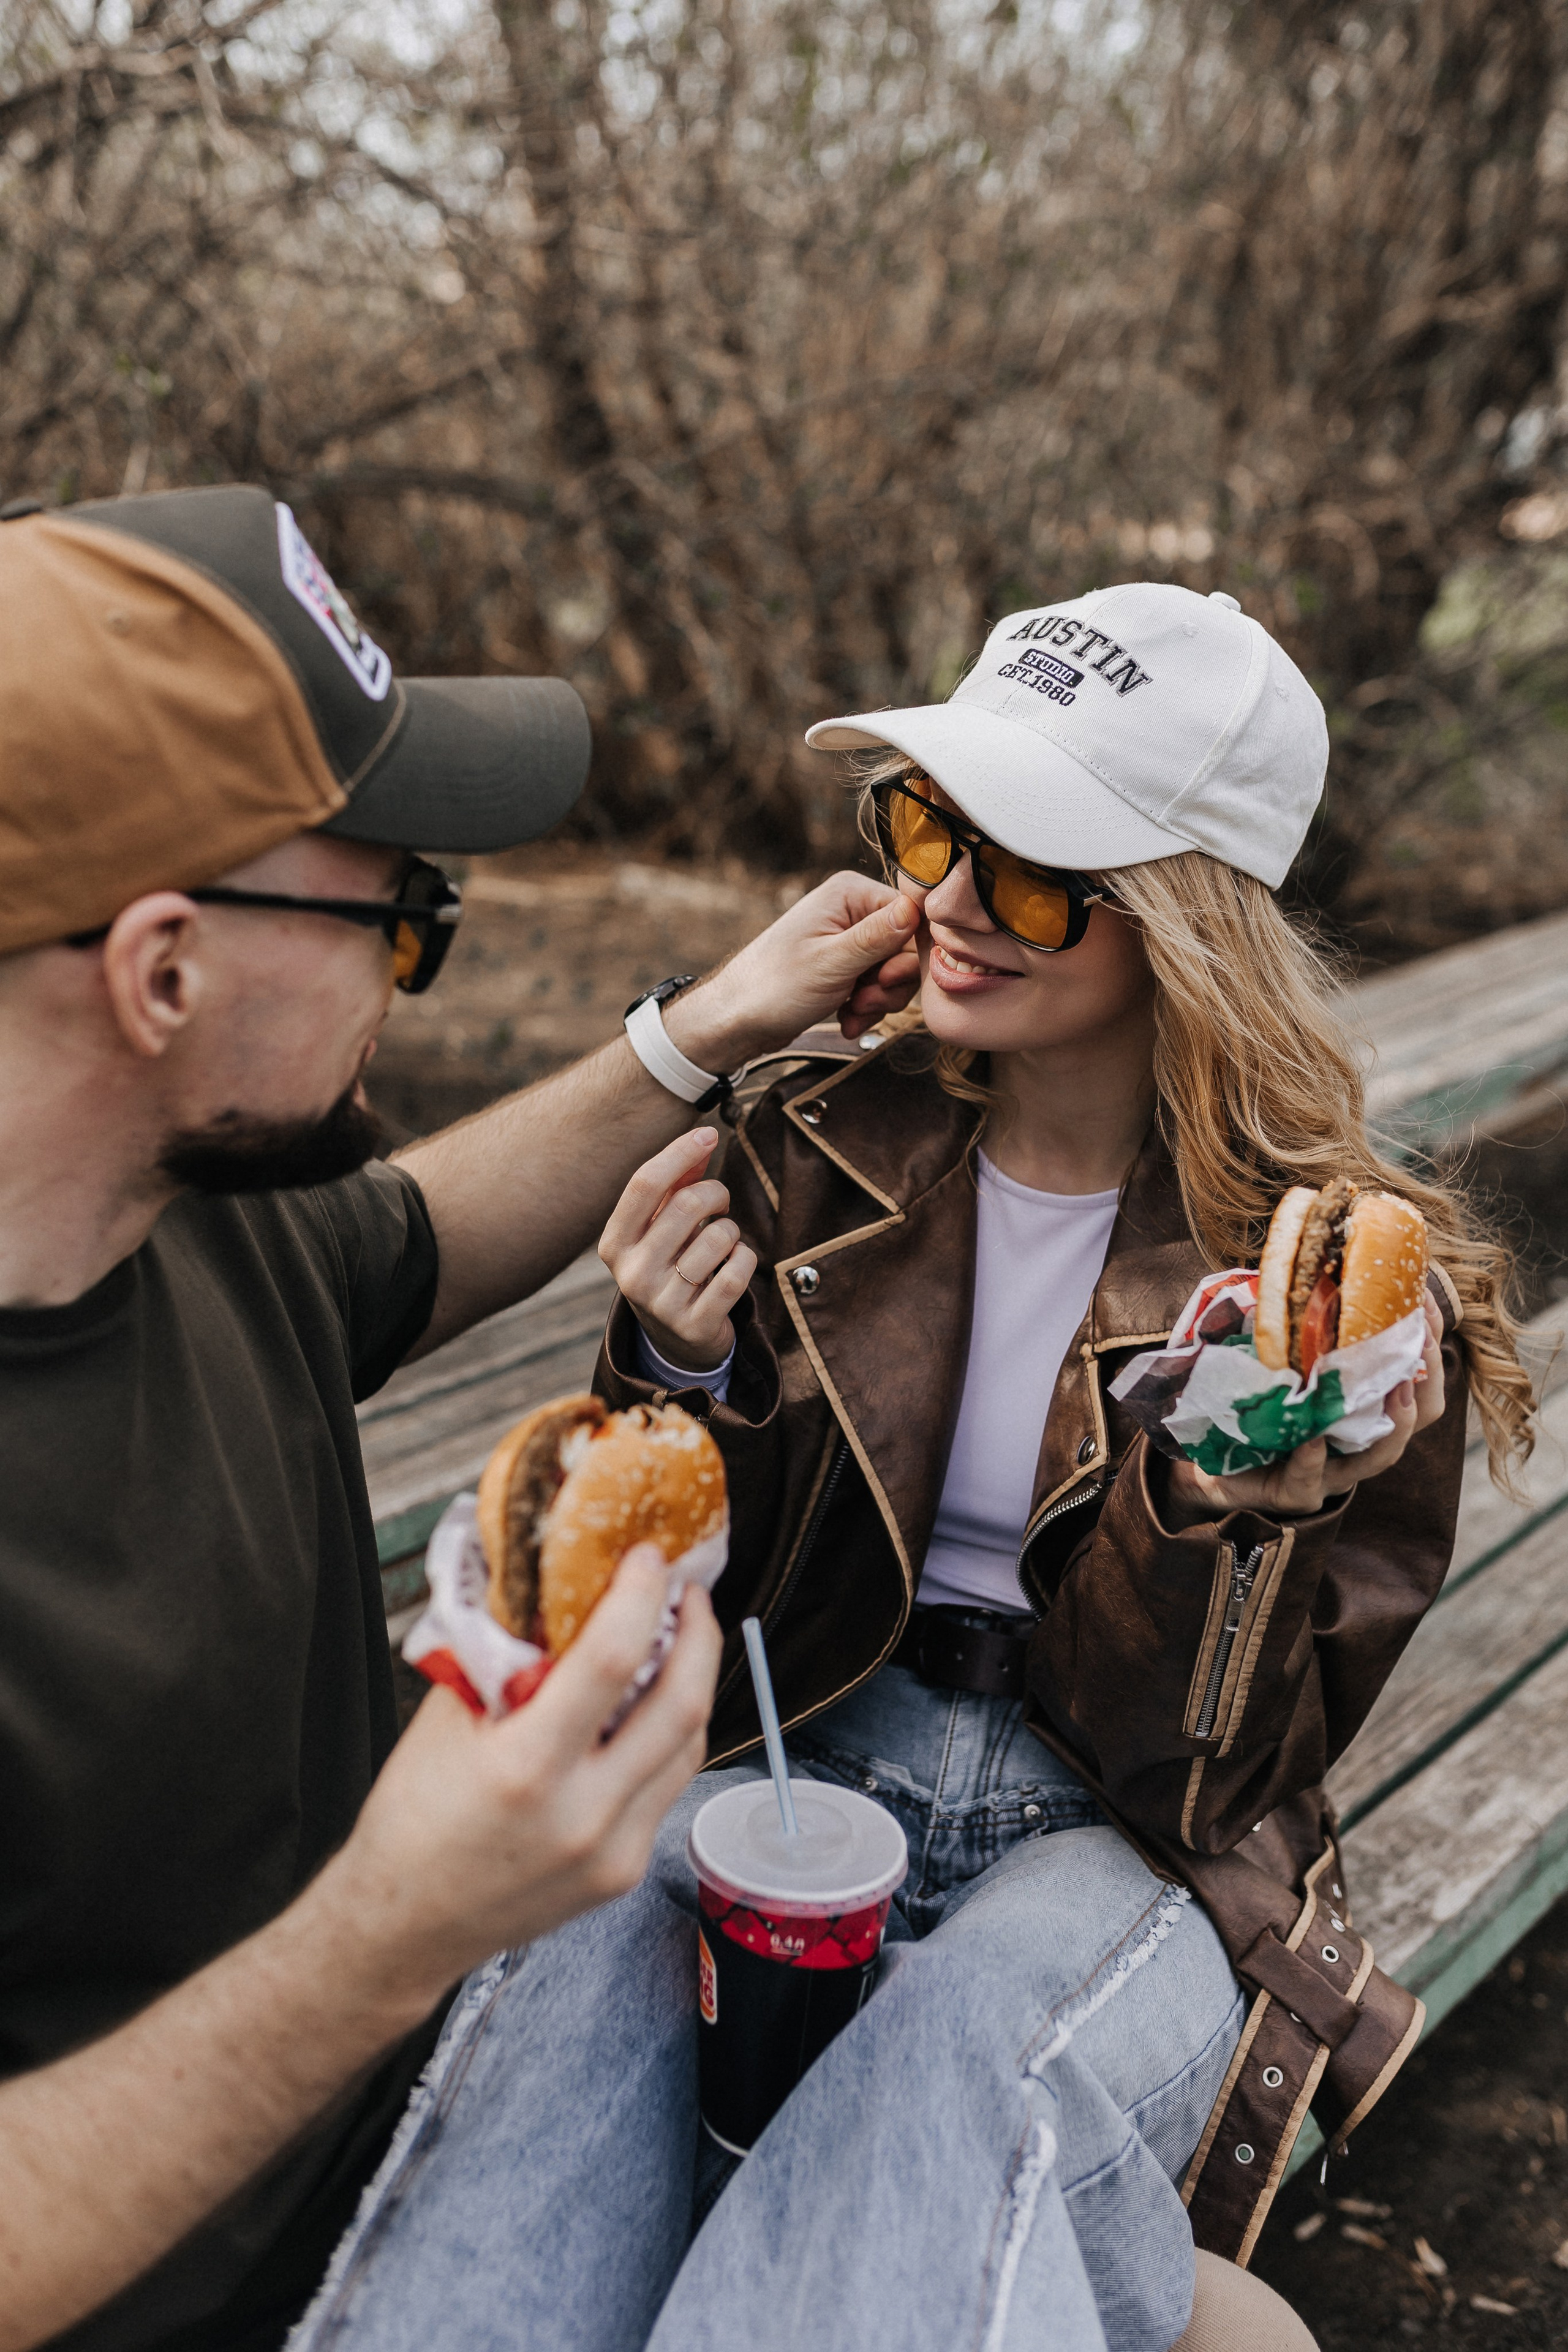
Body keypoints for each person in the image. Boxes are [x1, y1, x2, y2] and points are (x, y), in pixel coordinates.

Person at [282, 584, 1532, 2351]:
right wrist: (677, 1364)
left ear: (1184, 921)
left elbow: (1201, 1786)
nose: (947, 903)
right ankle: (1163, 2304)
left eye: (1030, 873)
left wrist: (1224, 1520)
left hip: (1118, 1847)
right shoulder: (801, 1135)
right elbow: (697, 1618)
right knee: (555, 1980)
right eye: (933, 826)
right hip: (788, 1764)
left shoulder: (1335, 1305)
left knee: (959, 2055)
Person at [0, 484, 928, 2352]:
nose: (430, 948)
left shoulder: (183, 1208)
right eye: (406, 909)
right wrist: (389, 1937)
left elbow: (417, 1236)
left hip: (475, 2065)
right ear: (161, 969)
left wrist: (716, 1025)